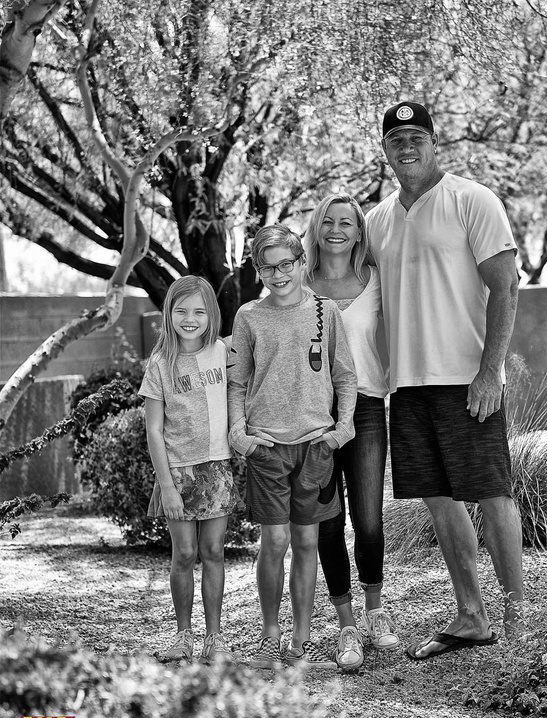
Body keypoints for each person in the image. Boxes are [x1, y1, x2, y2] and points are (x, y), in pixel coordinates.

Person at [365, 101, 524, 659]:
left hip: (467, 379)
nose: (407, 146)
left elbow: (505, 287)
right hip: (406, 385)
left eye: (417, 136)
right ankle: (472, 616)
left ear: (435, 143)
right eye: (396, 139)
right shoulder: (377, 220)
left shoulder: (472, 199)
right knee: (438, 500)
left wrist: (490, 372)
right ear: (385, 151)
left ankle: (519, 618)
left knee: (492, 494)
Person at [227, 223, 357, 670]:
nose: (278, 274)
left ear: (302, 262)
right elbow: (237, 382)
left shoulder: (325, 311)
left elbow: (344, 376)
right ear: (258, 271)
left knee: (306, 540)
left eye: (286, 264)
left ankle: (300, 639)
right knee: (275, 540)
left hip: (316, 446)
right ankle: (269, 635)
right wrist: (240, 434)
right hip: (267, 447)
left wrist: (342, 430)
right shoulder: (249, 317)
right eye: (268, 267)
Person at [304, 193, 399, 670]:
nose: (337, 229)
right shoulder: (297, 284)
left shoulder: (376, 280)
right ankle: (346, 625)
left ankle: (375, 611)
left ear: (360, 232)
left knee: (368, 519)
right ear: (316, 229)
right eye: (328, 221)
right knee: (327, 522)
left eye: (347, 222)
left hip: (365, 407)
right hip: (313, 415)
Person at [139, 275, 241, 665]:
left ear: (211, 314)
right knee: (184, 553)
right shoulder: (160, 363)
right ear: (169, 313)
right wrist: (166, 486)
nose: (189, 319)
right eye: (181, 311)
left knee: (213, 551)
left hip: (216, 467)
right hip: (177, 472)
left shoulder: (223, 352)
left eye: (199, 311)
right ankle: (183, 637)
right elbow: (153, 428)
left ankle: (214, 639)